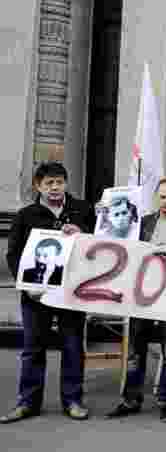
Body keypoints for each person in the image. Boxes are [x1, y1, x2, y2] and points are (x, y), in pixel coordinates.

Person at [1, 162, 96, 424]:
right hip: (36, 293)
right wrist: (27, 285)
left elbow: (99, 245)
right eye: (49, 183)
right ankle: (27, 403)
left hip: (71, 290)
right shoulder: (25, 215)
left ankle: (73, 400)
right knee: (33, 347)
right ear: (38, 186)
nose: (55, 187)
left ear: (66, 183)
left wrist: (82, 235)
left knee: (72, 345)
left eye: (59, 182)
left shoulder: (83, 210)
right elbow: (13, 254)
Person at [106, 178, 166, 423]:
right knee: (135, 351)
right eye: (163, 196)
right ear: (157, 197)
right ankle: (130, 401)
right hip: (141, 293)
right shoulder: (142, 222)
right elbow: (119, 240)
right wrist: (102, 214)